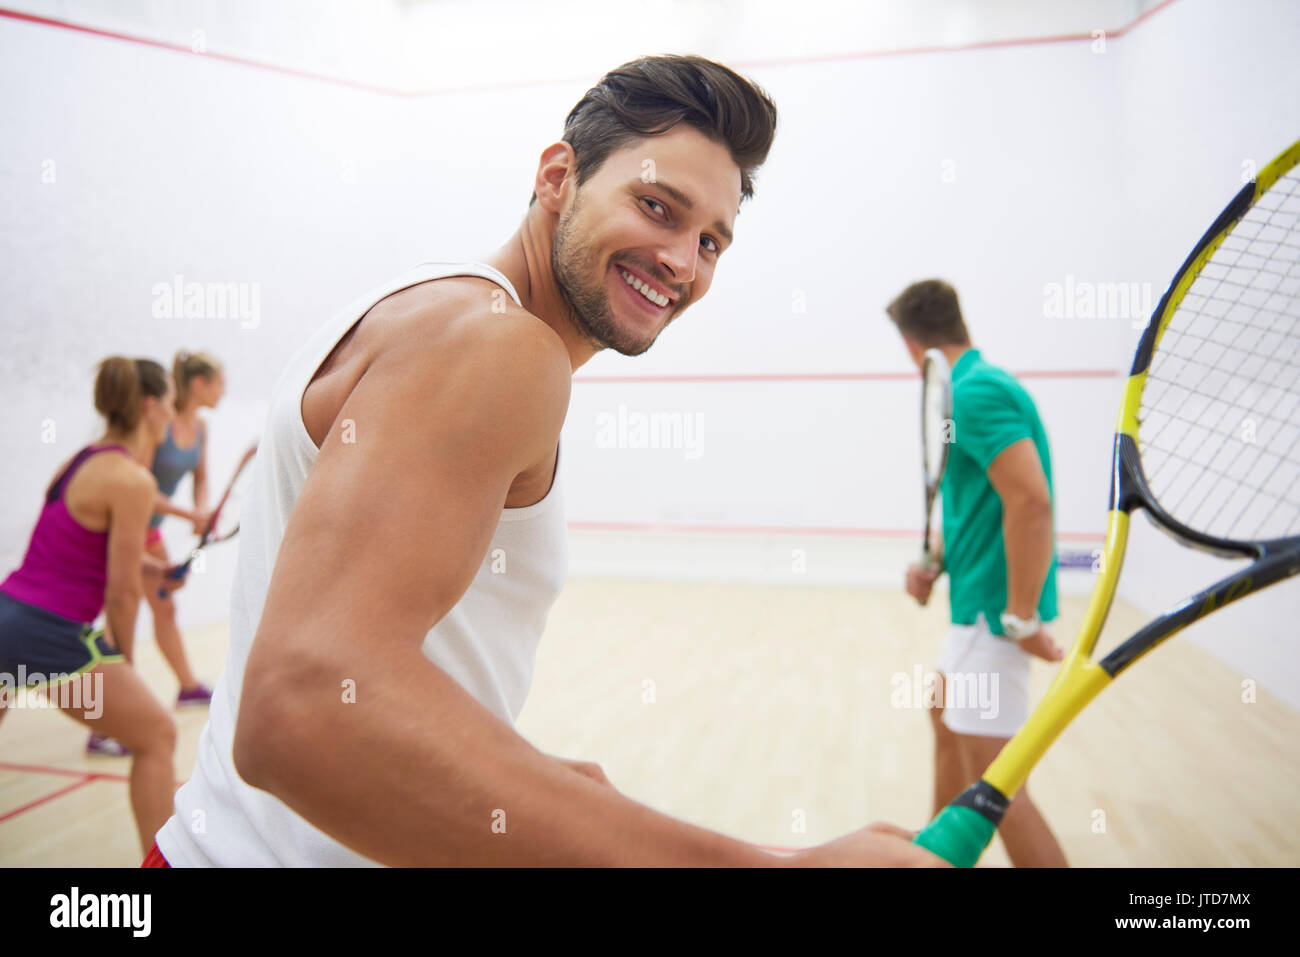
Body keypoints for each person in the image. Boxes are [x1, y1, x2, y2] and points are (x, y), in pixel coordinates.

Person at [148, 55, 945, 867]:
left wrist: (532, 780)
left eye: (710, 240)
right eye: (656, 206)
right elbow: (305, 705)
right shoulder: (498, 346)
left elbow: (353, 672)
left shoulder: (436, 310)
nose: (682, 260)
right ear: (559, 174)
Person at [887, 279, 1068, 867]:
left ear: (915, 348)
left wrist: (1021, 620)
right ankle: (930, 857)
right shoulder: (969, 388)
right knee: (942, 713)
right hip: (977, 611)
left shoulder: (975, 393)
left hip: (995, 617)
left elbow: (1031, 502)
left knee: (999, 788)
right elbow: (977, 502)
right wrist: (932, 563)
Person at [0, 357, 182, 854]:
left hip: (7, 614)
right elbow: (120, 593)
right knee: (156, 735)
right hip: (46, 632)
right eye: (168, 402)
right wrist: (124, 665)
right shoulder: (132, 480)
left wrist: (154, 568)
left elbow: (74, 544)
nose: (171, 413)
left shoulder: (80, 460)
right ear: (149, 406)